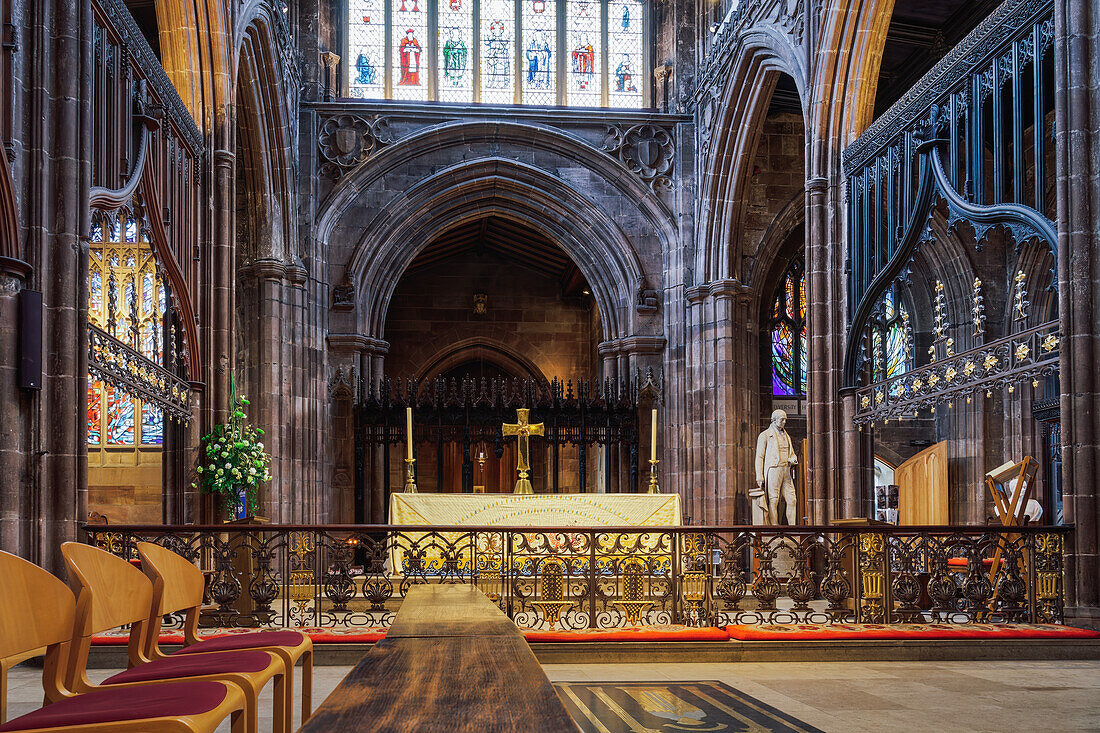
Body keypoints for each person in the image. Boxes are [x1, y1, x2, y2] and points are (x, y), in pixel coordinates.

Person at [754, 409, 798, 524]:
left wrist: (793, 459)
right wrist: (759, 476)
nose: (784, 422)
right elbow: (759, 457)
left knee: (792, 499)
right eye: (782, 419)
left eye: (785, 420)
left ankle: (793, 527)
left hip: (786, 470)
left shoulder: (786, 436)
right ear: (774, 420)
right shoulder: (765, 435)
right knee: (774, 500)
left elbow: (791, 452)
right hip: (774, 469)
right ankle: (774, 527)